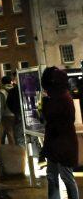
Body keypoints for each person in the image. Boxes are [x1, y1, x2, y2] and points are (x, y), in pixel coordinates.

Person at [40, 67, 79, 199]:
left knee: (66, 176)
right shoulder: (58, 96)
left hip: (63, 143)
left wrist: (46, 104)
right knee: (52, 175)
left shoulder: (62, 98)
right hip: (55, 143)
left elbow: (55, 119)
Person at [0, 76, 15, 145]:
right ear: (11, 82)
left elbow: (0, 106)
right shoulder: (16, 89)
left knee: (4, 135)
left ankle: (9, 152)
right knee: (13, 134)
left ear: (2, 83)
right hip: (16, 115)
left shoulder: (1, 92)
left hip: (6, 115)